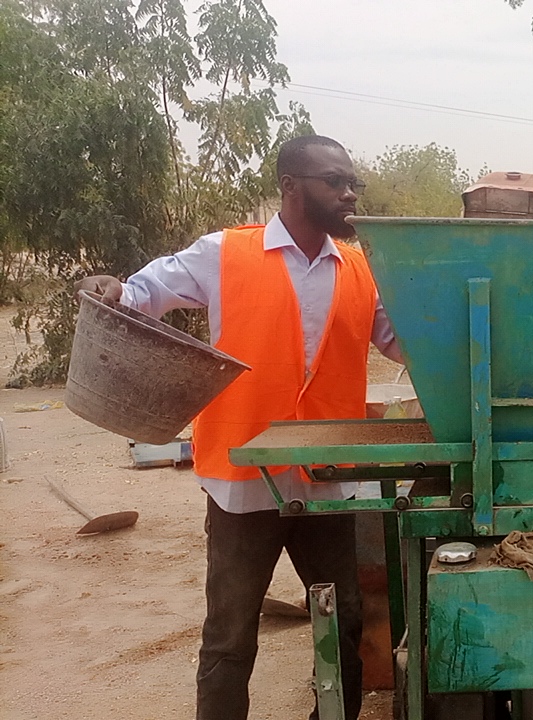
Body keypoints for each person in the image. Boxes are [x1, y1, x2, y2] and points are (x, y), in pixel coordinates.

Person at [77, 135, 400, 720]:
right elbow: (149, 290)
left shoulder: (359, 268)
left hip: (327, 475)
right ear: (290, 186)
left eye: (352, 182)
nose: (349, 194)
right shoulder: (224, 253)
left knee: (344, 619)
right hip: (244, 475)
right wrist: (117, 290)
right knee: (230, 634)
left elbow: (402, 341)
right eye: (334, 181)